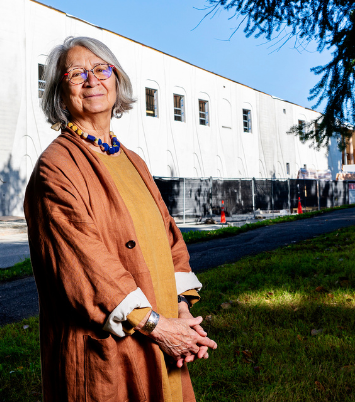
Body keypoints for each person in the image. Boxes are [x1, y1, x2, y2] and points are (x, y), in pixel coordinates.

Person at [24, 36, 217, 402]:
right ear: (59, 93)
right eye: (76, 73)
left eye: (101, 69)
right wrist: (161, 328)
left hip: (161, 335)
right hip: (112, 348)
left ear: (117, 80)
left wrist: (181, 315)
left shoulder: (133, 160)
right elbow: (86, 268)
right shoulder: (56, 166)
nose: (92, 80)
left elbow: (170, 240)